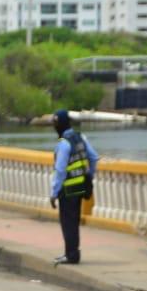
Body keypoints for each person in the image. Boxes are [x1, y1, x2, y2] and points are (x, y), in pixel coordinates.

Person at [49, 109, 99, 265]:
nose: (55, 127)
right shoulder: (80, 138)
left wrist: (54, 192)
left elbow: (60, 170)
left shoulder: (64, 143)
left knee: (68, 222)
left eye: (56, 124)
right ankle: (72, 253)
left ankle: (71, 255)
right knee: (74, 221)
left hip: (68, 188)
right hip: (80, 187)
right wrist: (89, 176)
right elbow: (94, 157)